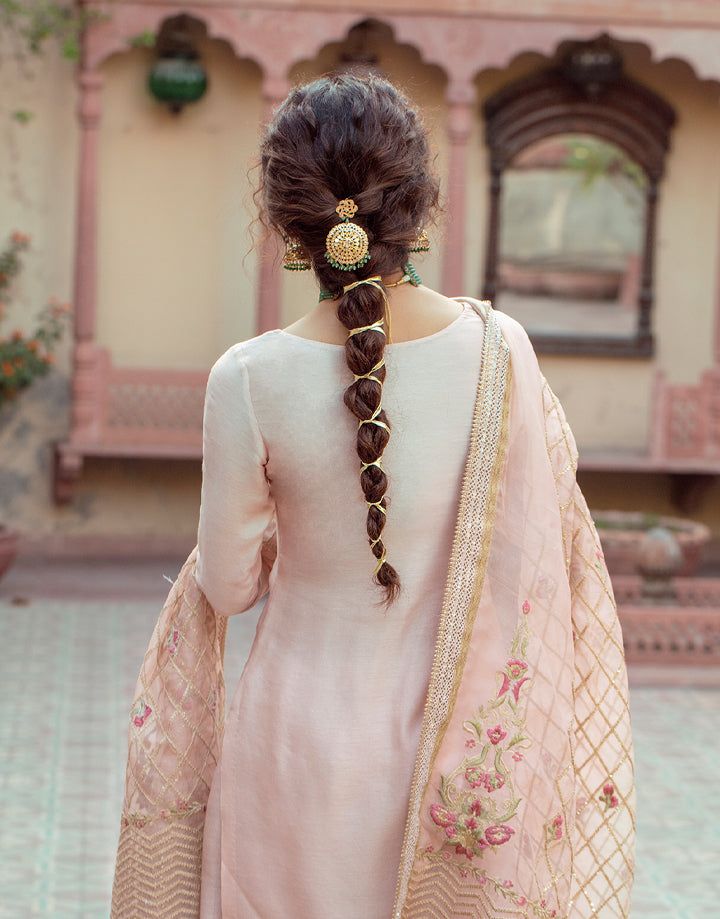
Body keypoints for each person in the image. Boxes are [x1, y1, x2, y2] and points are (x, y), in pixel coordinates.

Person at [111, 74, 635, 919]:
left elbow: (229, 586)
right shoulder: (504, 352)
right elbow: (531, 571)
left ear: (289, 225)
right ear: (419, 206)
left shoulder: (247, 377)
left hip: (294, 752)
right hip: (456, 763)